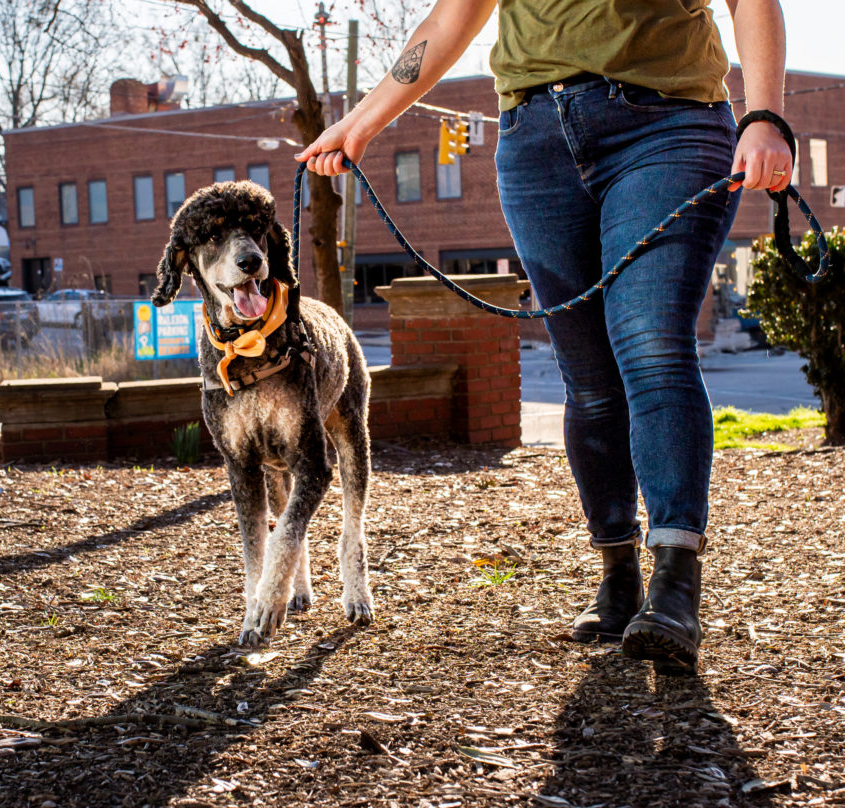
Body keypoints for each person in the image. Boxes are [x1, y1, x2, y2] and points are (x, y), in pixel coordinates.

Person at [297, 0, 793, 672]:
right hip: (536, 139)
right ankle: (618, 575)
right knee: (588, 378)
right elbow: (451, 20)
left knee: (649, 342)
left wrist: (764, 117)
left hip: (668, 127)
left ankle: (676, 584)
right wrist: (360, 124)